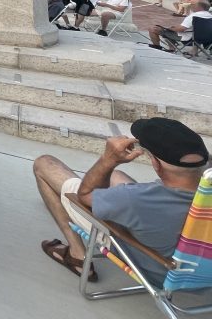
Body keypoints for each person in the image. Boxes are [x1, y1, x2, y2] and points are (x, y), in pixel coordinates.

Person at [33, 117, 208, 281]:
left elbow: (84, 196)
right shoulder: (199, 192)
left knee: (44, 163)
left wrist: (108, 159)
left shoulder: (136, 200)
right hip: (203, 269)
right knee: (115, 177)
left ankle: (77, 255)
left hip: (159, 268)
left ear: (155, 163)